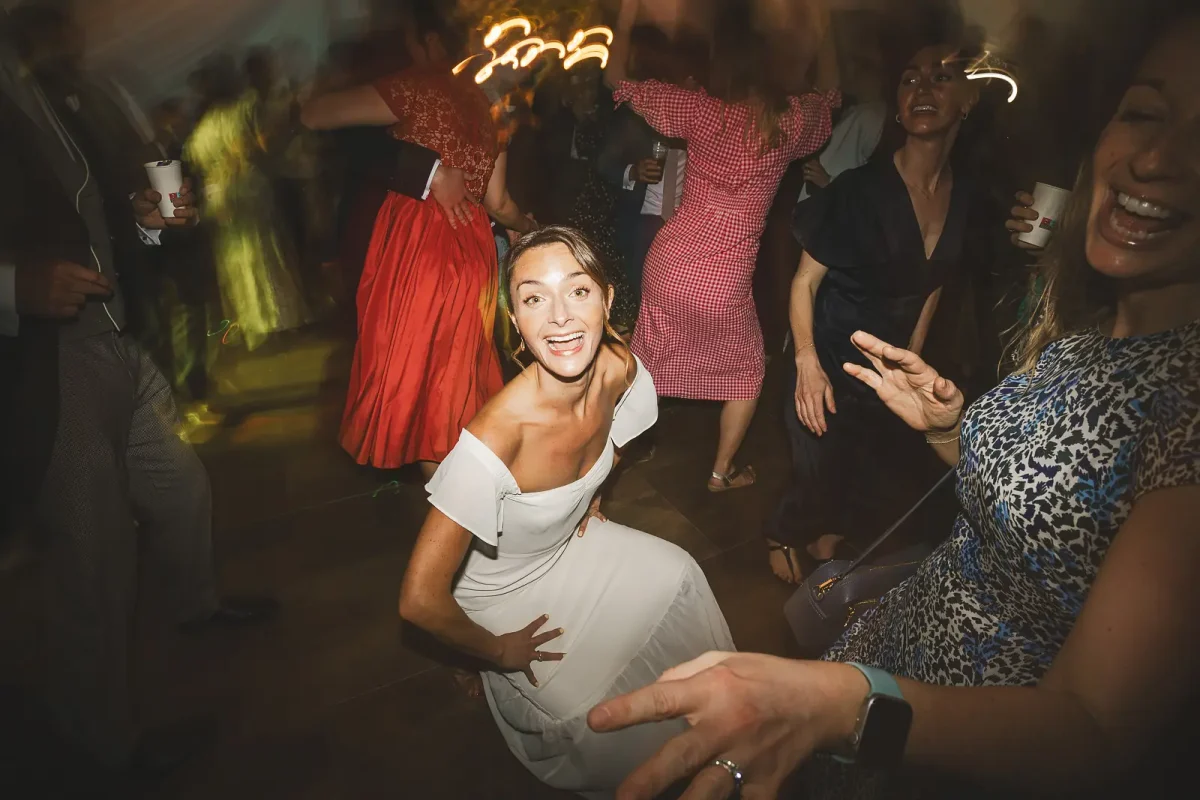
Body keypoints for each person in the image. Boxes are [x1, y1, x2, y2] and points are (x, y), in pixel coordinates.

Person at [587, 11, 1200, 798]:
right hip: (890, 622)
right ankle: (736, 500)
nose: (1155, 157)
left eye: (944, 77)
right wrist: (950, 429)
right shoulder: (1084, 335)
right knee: (779, 434)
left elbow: (1095, 728)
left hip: (954, 738)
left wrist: (841, 704)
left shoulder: (1183, 402)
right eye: (1144, 113)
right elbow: (1044, 501)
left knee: (698, 391)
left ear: (972, 101)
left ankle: (629, 472)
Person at [0, 9, 276, 776]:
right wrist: (14, 286)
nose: (70, 29)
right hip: (46, 360)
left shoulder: (60, 93)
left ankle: (196, 609)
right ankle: (102, 750)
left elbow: (104, 216)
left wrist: (153, 221)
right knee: (93, 556)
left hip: (115, 334)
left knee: (181, 486)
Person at [399, 226, 735, 795]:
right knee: (585, 704)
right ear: (515, 320)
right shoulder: (497, 438)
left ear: (606, 300)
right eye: (534, 298)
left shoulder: (619, 368)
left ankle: (721, 726)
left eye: (577, 291)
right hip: (497, 588)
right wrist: (500, 651)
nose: (559, 317)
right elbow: (418, 601)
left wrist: (592, 493)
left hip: (563, 545)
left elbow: (617, 436)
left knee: (680, 573)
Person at [764, 43, 986, 584]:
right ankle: (782, 535)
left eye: (942, 78)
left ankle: (823, 535)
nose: (923, 90)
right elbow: (803, 282)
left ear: (969, 100)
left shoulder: (966, 197)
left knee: (861, 465)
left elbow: (936, 284)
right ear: (896, 104)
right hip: (830, 352)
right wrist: (808, 364)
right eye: (910, 80)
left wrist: (911, 357)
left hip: (887, 369)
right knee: (816, 462)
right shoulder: (859, 189)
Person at [605, 0, 838, 493]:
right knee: (750, 369)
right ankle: (720, 472)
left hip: (669, 261)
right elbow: (831, 96)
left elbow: (615, 81)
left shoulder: (698, 110)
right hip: (723, 278)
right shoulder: (788, 122)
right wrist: (824, 25)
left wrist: (626, 17)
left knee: (645, 369)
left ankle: (601, 470)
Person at [301, 2, 534, 477]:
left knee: (427, 398)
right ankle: (473, 508)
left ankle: (450, 523)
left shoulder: (418, 86)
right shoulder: (485, 105)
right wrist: (528, 226)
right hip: (473, 250)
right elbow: (498, 201)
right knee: (455, 389)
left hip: (420, 250)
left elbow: (314, 115)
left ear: (428, 43)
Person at [186, 56, 312, 351]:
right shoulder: (242, 111)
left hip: (220, 198)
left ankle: (252, 324)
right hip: (248, 190)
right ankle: (277, 319)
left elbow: (198, 163)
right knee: (264, 253)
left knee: (237, 261)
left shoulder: (201, 129)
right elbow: (254, 147)